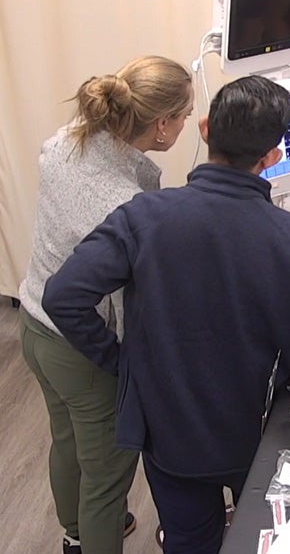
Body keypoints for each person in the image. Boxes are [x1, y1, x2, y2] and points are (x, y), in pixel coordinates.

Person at [42, 75, 290, 554]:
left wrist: (122, 364)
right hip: (258, 435)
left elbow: (63, 296)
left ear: (204, 129)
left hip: (170, 434)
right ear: (273, 157)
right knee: (263, 535)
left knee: (187, 540)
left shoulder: (141, 217)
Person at [18, 55, 193, 554]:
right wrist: (118, 362)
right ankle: (93, 534)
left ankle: (73, 534)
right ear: (162, 125)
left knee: (67, 442)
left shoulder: (72, 136)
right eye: (183, 116)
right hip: (81, 348)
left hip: (35, 326)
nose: (185, 125)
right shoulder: (124, 204)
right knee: (107, 480)